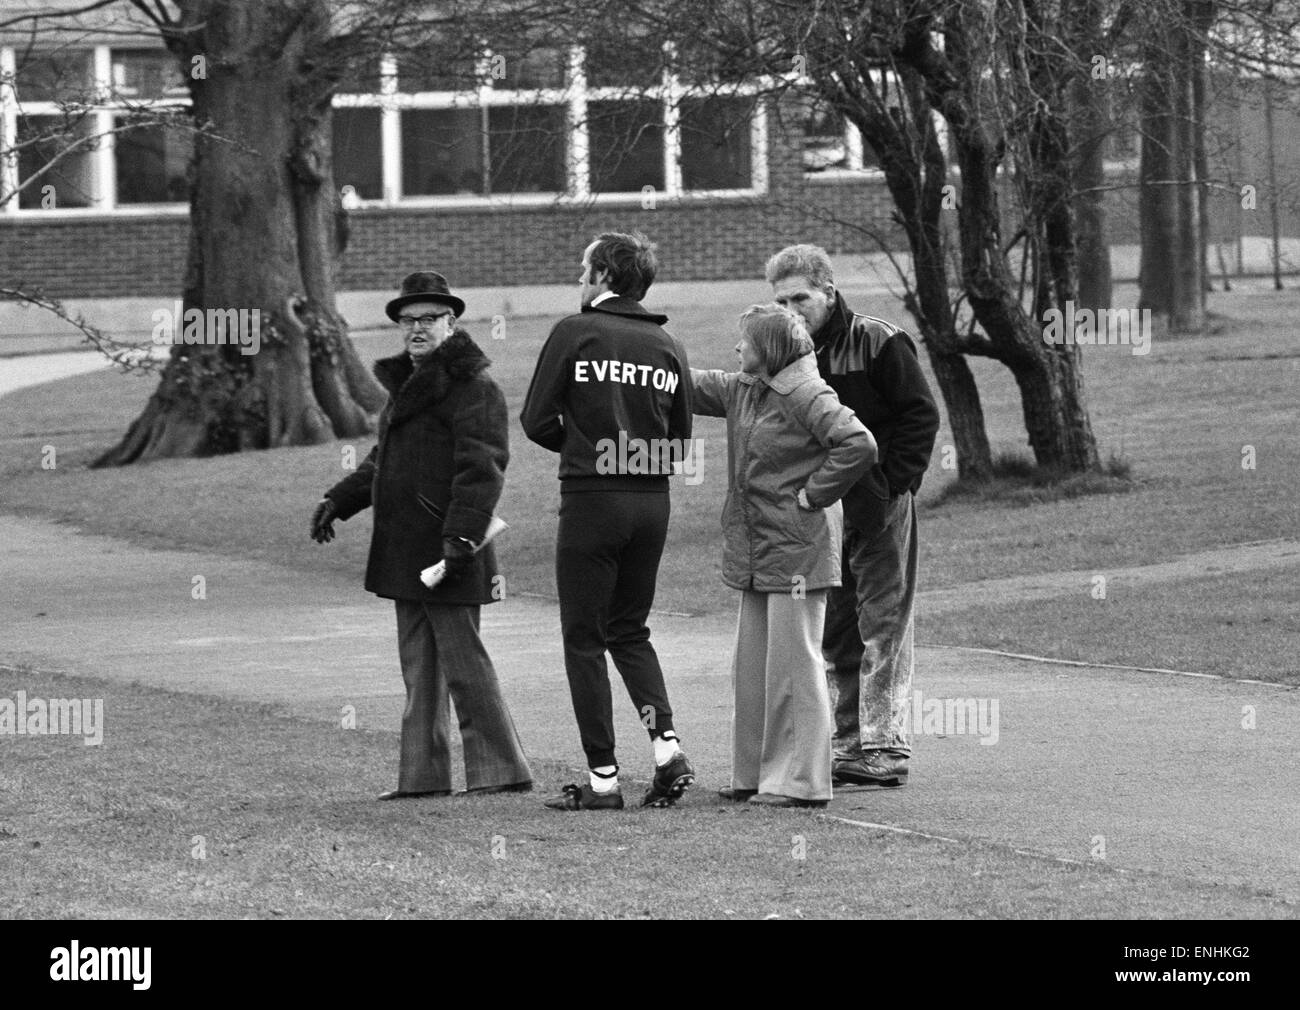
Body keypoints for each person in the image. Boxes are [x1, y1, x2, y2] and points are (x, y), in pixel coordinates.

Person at [309, 271, 532, 800]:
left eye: (428, 319)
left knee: (464, 663)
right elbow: (384, 462)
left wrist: (459, 538)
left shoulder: (475, 387)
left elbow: (483, 468)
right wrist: (339, 499)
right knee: (419, 669)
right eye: (408, 320)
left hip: (449, 548)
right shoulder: (407, 388)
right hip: (405, 549)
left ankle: (503, 770)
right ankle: (422, 779)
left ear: (451, 323)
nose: (416, 328)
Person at [520, 231, 695, 812]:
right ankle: (666, 747)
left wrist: (586, 449)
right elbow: (679, 440)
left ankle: (602, 780)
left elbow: (534, 418)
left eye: (582, 270)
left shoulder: (575, 332)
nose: (578, 280)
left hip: (594, 499)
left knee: (584, 639)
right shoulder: (668, 344)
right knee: (630, 629)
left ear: (601, 276)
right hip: (652, 501)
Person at [767, 245, 940, 788]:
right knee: (836, 626)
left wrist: (894, 484)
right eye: (781, 300)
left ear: (829, 292)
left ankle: (885, 746)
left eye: (801, 297)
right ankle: (846, 743)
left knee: (883, 622)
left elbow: (920, 415)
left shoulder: (878, 340)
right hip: (822, 507)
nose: (792, 309)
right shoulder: (784, 352)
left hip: (880, 501)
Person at [691, 305, 875, 808]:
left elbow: (858, 443)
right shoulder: (746, 389)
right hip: (758, 553)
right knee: (753, 667)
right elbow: (690, 383)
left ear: (767, 348)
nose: (736, 350)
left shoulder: (808, 394)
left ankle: (799, 781)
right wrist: (642, 352)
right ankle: (753, 774)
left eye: (744, 342)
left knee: (795, 666)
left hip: (797, 550)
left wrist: (816, 494)